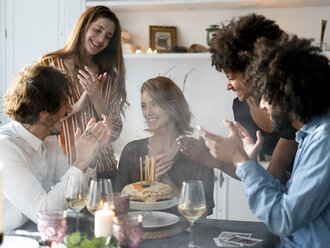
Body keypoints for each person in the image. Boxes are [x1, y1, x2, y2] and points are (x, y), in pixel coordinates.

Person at [198, 36, 330, 247]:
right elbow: (288, 200)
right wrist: (248, 164)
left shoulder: (328, 140)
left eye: (266, 95)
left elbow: (283, 220)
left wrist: (240, 161)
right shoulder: (314, 134)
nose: (262, 105)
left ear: (290, 93)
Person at [177, 14, 298, 182]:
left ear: (255, 70)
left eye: (231, 77)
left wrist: (231, 157)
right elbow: (250, 172)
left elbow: (270, 177)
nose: (228, 86)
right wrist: (213, 160)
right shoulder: (241, 107)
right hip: (277, 194)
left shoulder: (290, 108)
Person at [0, 63, 112, 231]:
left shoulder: (47, 137)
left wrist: (91, 154)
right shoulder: (5, 149)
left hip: (35, 231)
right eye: (65, 102)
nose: (69, 109)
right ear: (43, 112)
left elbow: (75, 195)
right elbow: (45, 214)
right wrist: (80, 161)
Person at [40, 5, 128, 179]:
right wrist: (79, 105)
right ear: (84, 27)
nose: (101, 39)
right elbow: (41, 119)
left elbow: (115, 133)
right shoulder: (50, 64)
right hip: (64, 173)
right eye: (97, 30)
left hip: (104, 171)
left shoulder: (110, 77)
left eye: (108, 37)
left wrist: (96, 96)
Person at [114, 77, 215, 216]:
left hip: (184, 233)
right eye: (144, 105)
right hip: (140, 233)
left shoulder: (197, 153)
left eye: (154, 104)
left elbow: (202, 213)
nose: (147, 112)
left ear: (172, 106)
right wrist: (148, 188)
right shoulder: (131, 151)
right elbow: (119, 206)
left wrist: (167, 185)